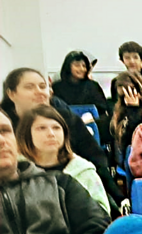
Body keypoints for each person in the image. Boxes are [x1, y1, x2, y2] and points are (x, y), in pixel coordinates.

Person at [2, 68, 124, 210]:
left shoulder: (67, 119)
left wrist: (119, 197)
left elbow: (96, 160)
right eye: (29, 87)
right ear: (11, 94)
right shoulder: (4, 124)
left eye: (43, 86)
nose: (39, 92)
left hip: (77, 198)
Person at [16, 105, 108, 211]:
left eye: (56, 128)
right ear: (26, 134)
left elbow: (102, 212)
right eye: (41, 128)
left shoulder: (83, 171)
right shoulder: (16, 172)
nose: (51, 134)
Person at [110, 71, 142, 165]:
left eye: (131, 92)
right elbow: (126, 142)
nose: (127, 99)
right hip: (131, 158)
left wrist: (135, 110)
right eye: (122, 96)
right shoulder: (120, 110)